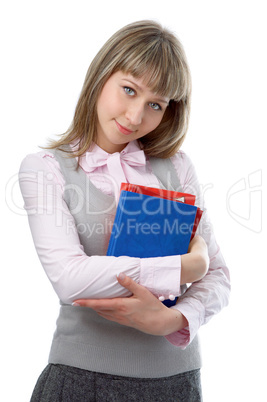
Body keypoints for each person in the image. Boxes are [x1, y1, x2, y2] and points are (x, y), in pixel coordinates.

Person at [19, 20, 230, 402]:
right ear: (102, 75)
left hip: (177, 383)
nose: (135, 117)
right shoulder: (46, 168)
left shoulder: (177, 167)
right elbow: (70, 278)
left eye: (155, 104)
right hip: (83, 382)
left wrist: (175, 318)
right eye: (128, 90)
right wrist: (184, 267)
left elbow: (218, 277)